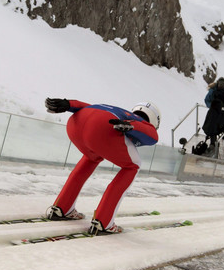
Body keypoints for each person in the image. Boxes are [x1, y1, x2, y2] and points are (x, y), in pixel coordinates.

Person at [44, 98, 160, 235]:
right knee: (133, 166)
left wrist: (69, 104)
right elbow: (153, 136)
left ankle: (62, 207)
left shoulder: (119, 111)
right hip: (101, 129)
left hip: (76, 124)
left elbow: (91, 108)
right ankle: (103, 222)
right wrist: (133, 126)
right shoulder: (137, 120)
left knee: (91, 157)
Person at [202, 77, 224, 158]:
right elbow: (207, 100)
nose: (221, 85)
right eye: (220, 83)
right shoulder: (213, 91)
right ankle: (212, 144)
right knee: (212, 127)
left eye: (223, 83)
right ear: (217, 83)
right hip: (214, 113)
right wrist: (212, 107)